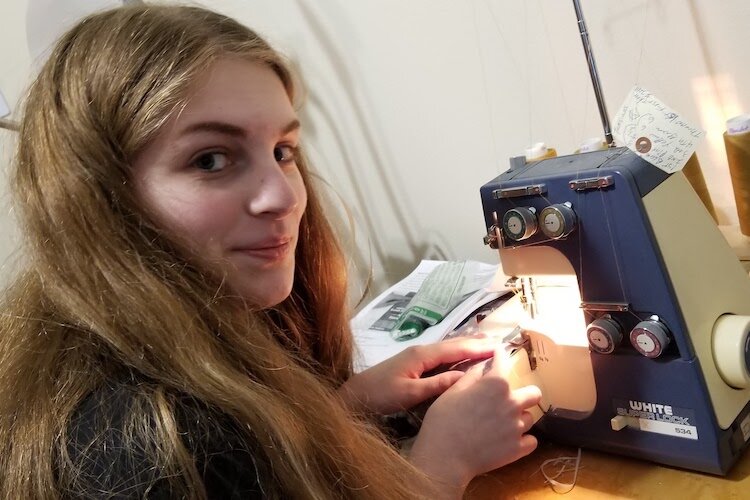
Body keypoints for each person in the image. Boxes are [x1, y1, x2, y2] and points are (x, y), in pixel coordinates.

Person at [0, 4, 542, 499]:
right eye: (211, 159)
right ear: (98, 195)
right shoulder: (137, 445)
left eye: (283, 150)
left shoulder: (202, 339)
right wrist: (440, 466)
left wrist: (342, 406)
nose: (285, 197)